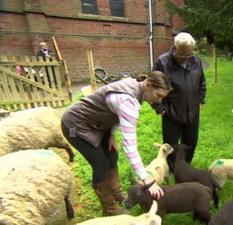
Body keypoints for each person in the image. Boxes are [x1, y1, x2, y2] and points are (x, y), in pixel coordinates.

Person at [61, 71, 172, 216]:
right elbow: (130, 147)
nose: (159, 101)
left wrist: (112, 135)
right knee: (101, 164)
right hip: (76, 124)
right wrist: (146, 178)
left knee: (112, 155)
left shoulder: (136, 87)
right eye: (159, 96)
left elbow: (116, 113)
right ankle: (110, 209)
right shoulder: (128, 101)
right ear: (148, 85)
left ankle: (117, 195)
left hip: (97, 123)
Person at [152, 32, 206, 171]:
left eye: (189, 55)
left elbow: (202, 83)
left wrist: (200, 100)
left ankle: (185, 166)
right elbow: (153, 87)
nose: (186, 58)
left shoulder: (196, 61)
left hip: (192, 112)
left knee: (190, 142)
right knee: (171, 145)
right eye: (182, 55)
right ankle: (172, 168)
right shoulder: (162, 62)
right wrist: (160, 108)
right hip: (171, 113)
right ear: (174, 48)